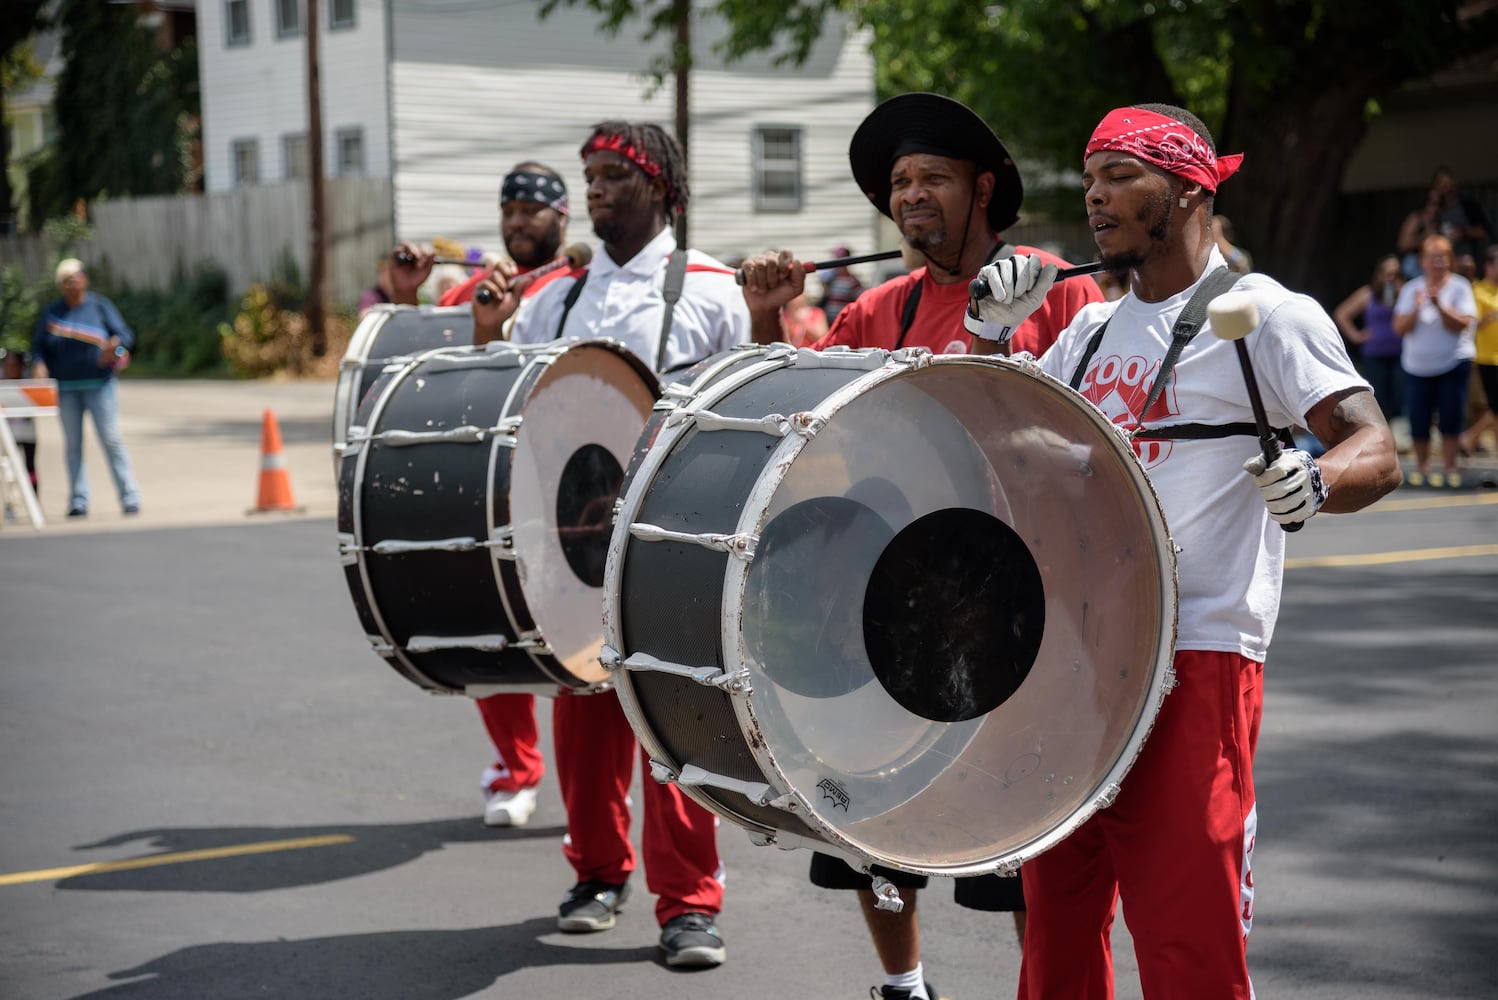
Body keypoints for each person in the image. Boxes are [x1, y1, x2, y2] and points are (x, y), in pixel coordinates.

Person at [967, 102, 1401, 998]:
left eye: (1120, 175)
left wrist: (1318, 480)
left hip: (1196, 653)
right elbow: (998, 445)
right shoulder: (1085, 335)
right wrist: (987, 342)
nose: (1095, 197)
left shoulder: (1266, 314)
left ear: (1192, 186)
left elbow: (1376, 447)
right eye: (1089, 180)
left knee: (1188, 941)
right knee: (1055, 938)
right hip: (1074, 663)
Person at [740, 92, 1104, 1000]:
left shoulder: (1061, 288)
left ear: (982, 187)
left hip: (1026, 596)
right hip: (896, 591)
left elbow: (1104, 438)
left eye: (931, 178)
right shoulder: (877, 310)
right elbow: (796, 426)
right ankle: (904, 986)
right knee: (875, 812)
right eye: (899, 182)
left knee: (1021, 826)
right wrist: (765, 317)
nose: (909, 196)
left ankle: (1046, 984)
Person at [475, 121, 749, 969]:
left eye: (612, 177)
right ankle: (597, 875)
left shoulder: (710, 287)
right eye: (588, 176)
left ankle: (689, 906)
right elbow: (515, 413)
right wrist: (490, 331)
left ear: (660, 187)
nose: (593, 190)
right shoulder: (554, 295)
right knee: (584, 717)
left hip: (671, 533)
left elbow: (735, 419)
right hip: (574, 538)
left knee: (676, 725)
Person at [389, 161, 576, 828]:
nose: (519, 220)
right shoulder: (477, 287)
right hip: (497, 485)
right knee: (494, 634)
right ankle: (518, 769)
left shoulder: (586, 281)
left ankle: (603, 786)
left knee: (590, 651)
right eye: (509, 210)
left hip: (579, 489)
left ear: (563, 219)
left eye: (533, 209)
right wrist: (408, 298)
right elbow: (421, 366)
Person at [30, 258, 141, 519]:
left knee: (111, 439)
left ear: (84, 279)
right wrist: (38, 364)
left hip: (100, 385)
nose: (72, 284)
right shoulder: (53, 313)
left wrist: (116, 348)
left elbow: (125, 337)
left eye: (75, 278)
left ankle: (129, 496)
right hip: (67, 389)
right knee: (73, 444)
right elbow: (38, 347)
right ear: (60, 285)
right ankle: (78, 500)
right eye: (66, 280)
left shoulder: (100, 306)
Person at [1394, 233, 1477, 488]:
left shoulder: (1460, 286)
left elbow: (1463, 323)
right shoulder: (1411, 289)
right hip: (1417, 366)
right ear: (1422, 261)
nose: (1438, 263)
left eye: (1443, 258)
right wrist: (1418, 308)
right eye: (1433, 258)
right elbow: (1399, 327)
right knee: (1419, 419)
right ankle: (1422, 468)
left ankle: (1450, 467)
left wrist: (1440, 306)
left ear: (1450, 260)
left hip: (1452, 363)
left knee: (1451, 416)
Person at [1333, 254, 1406, 423]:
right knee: (1378, 396)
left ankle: (1400, 434)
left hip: (1401, 353)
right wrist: (1357, 335)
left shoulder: (1406, 293)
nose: (1390, 278)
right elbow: (1342, 313)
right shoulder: (1368, 293)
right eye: (1387, 273)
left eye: (1395, 274)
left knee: (1400, 396)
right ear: (1379, 275)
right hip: (1375, 354)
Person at [1397, 167, 1493, 279]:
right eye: (1433, 202)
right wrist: (1426, 236)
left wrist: (1461, 233)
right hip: (1421, 265)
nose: (1436, 207)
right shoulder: (1418, 216)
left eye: (1439, 203)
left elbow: (1483, 230)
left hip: (1452, 260)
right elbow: (1403, 244)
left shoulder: (1464, 206)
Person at [1460, 246, 1498, 456]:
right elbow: (1472, 323)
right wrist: (1491, 316)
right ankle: (1470, 437)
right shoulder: (1478, 291)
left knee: (1495, 409)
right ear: (1488, 266)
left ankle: (1470, 438)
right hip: (1485, 357)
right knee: (1492, 407)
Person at [2, 347, 40, 518]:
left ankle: (35, 500)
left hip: (26, 431)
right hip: (7, 433)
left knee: (30, 466)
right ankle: (10, 503)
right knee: (9, 468)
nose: (10, 368)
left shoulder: (27, 382)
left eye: (14, 364)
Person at [818, 246, 867, 323]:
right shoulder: (832, 279)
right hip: (829, 322)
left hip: (843, 322)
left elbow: (861, 302)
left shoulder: (853, 282)